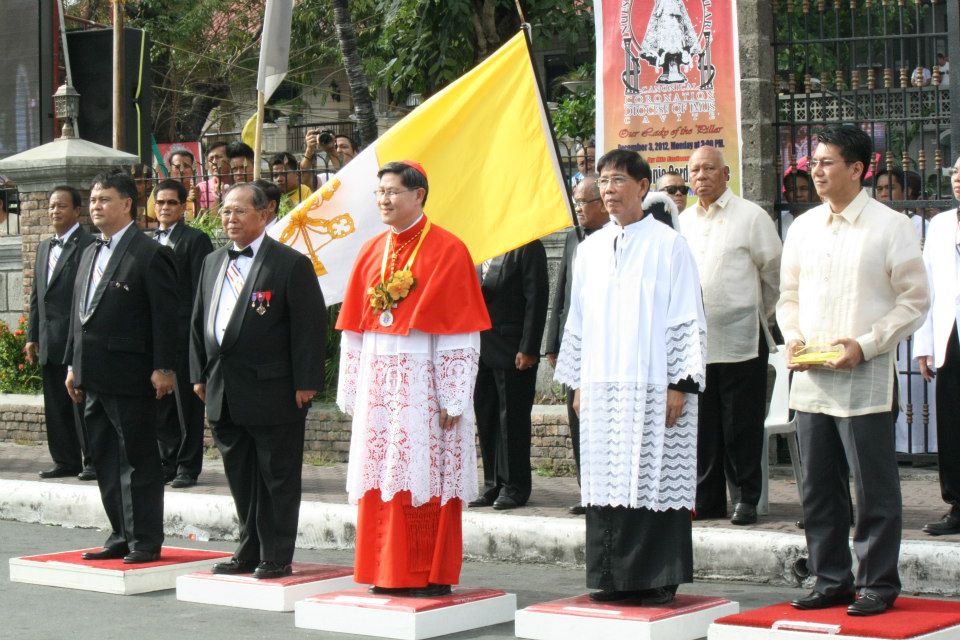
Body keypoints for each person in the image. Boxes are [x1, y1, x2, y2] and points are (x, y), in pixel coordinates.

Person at [778, 124, 929, 616]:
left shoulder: (890, 226)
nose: (815, 172)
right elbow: (789, 297)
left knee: (873, 488)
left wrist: (865, 346)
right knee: (818, 488)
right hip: (813, 378)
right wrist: (793, 334)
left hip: (864, 376)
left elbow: (914, 302)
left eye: (826, 163)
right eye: (812, 164)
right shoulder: (802, 227)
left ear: (858, 169)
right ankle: (830, 578)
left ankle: (878, 584)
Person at [554, 149, 706, 604]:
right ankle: (611, 578)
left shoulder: (669, 245)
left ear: (643, 186)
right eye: (603, 181)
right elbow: (577, 319)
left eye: (618, 180)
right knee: (606, 481)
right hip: (602, 385)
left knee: (653, 478)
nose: (608, 189)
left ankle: (656, 578)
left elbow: (687, 316)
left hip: (654, 383)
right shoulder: (592, 248)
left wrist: (680, 384)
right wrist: (578, 382)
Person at [337, 161, 490, 597]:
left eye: (393, 192)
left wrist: (453, 396)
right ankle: (384, 570)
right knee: (381, 476)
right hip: (379, 384)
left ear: (418, 194)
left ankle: (426, 572)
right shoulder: (370, 251)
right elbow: (354, 327)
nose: (383, 200)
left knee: (426, 476)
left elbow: (460, 329)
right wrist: (352, 387)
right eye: (380, 192)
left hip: (426, 386)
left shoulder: (448, 249)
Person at [190, 182, 325, 579]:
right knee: (241, 476)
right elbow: (199, 322)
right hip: (223, 391)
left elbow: (309, 328)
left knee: (277, 476)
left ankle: (277, 553)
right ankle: (248, 548)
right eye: (226, 211)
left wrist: (306, 381)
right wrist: (198, 373)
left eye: (239, 211)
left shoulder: (289, 264)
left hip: (274, 390)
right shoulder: (213, 262)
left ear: (264, 214)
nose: (229, 218)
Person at [65, 171, 180, 564]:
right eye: (93, 199)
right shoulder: (89, 251)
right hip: (92, 375)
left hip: (132, 374)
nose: (96, 206)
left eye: (105, 199)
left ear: (128, 204)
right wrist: (72, 364)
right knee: (104, 457)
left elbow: (167, 316)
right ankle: (120, 532)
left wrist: (164, 366)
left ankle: (145, 539)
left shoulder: (149, 253)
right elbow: (77, 316)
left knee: (139, 458)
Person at [680, 145, 782, 526]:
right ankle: (707, 500)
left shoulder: (751, 217)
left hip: (741, 339)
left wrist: (756, 313)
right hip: (697, 344)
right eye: (695, 170)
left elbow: (775, 274)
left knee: (741, 424)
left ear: (726, 175)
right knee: (703, 426)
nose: (701, 176)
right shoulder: (684, 222)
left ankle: (745, 498)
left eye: (709, 169)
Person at [544, 173, 610, 514]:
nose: (579, 208)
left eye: (584, 202)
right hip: (575, 344)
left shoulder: (616, 239)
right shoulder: (573, 238)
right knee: (577, 416)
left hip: (606, 346)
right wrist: (552, 342)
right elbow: (562, 293)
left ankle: (606, 489)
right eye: (576, 202)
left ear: (602, 204)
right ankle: (587, 490)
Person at [471, 240, 548, 511]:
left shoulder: (527, 246)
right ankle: (492, 483)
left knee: (511, 420)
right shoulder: (478, 248)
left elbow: (536, 299)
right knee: (487, 416)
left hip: (513, 349)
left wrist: (529, 348)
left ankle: (515, 486)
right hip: (480, 348)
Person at [26, 186, 95, 481]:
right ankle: (65, 460)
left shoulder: (89, 245)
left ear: (76, 210)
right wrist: (32, 335)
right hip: (49, 338)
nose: (55, 211)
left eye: (62, 206)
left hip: (76, 338)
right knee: (55, 405)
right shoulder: (43, 248)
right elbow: (36, 295)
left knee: (81, 403)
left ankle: (92, 460)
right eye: (52, 206)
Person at [152, 179, 213, 488]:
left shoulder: (195, 240)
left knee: (188, 406)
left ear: (183, 206)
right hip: (156, 336)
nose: (165, 208)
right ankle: (167, 461)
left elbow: (201, 292)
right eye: (160, 202)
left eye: (171, 203)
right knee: (161, 403)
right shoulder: (147, 241)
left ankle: (188, 467)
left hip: (186, 335)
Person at [912, 153, 960, 536]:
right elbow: (926, 290)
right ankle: (957, 503)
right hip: (949, 334)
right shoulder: (941, 225)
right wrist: (923, 345)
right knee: (952, 420)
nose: (958, 180)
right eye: (956, 173)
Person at [197, 141, 232, 210]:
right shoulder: (202, 188)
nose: (214, 162)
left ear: (230, 159)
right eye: (211, 159)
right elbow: (205, 218)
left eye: (218, 157)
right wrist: (217, 198)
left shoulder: (239, 183)